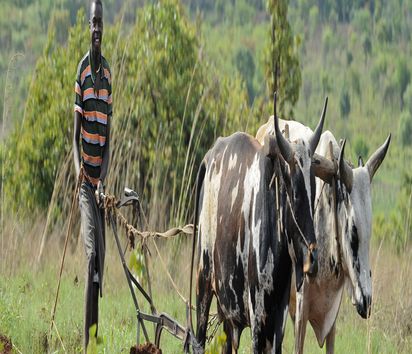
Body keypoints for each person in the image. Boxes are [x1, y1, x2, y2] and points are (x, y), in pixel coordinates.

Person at [73, 0, 112, 349]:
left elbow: (109, 139)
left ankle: (95, 337)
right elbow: (75, 134)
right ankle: (87, 343)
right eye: (93, 23)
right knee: (89, 255)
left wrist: (106, 181)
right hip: (85, 181)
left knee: (101, 259)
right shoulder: (83, 72)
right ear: (88, 27)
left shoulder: (108, 75)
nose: (97, 29)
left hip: (101, 184)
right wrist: (78, 169)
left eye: (101, 23)